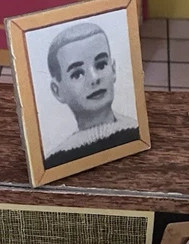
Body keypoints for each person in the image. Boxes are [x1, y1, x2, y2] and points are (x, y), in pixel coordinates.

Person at [42, 21, 139, 169]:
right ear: (58, 91)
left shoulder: (138, 132)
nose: (94, 78)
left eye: (101, 65)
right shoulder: (54, 161)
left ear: (113, 70)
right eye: (77, 74)